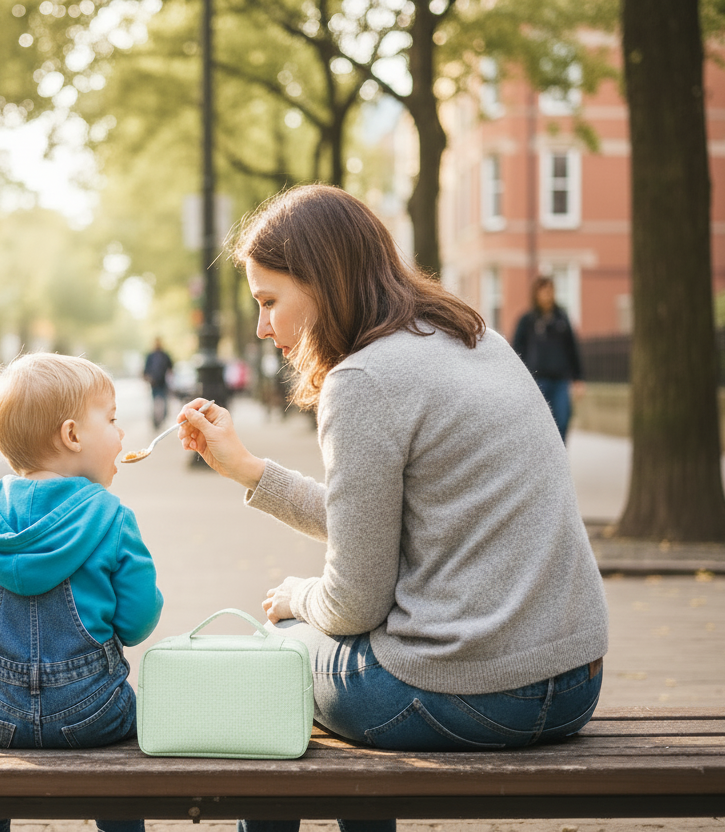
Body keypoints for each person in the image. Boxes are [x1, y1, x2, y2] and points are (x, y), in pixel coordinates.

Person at [175, 185, 608, 832]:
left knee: (274, 657)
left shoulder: (363, 382)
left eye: (270, 302)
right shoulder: (472, 337)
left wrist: (296, 598)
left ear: (322, 282)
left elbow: (355, 605)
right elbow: (385, 521)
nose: (263, 328)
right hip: (574, 679)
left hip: (477, 694)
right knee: (323, 659)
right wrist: (247, 470)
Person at [0, 352, 162, 832]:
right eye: (113, 420)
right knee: (133, 728)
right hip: (93, 711)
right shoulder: (113, 517)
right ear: (73, 435)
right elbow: (138, 622)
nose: (121, 435)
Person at [512, 277, 585, 441]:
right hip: (537, 381)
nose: (546, 295)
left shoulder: (562, 319)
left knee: (563, 420)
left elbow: (572, 349)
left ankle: (559, 461)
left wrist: (578, 378)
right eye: (543, 291)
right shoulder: (527, 321)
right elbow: (517, 350)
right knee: (539, 425)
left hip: (560, 381)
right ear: (536, 294)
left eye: (549, 290)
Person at [142, 338, 174, 429]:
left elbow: (170, 368)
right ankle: (155, 420)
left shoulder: (164, 355)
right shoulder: (150, 356)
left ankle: (162, 418)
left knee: (163, 402)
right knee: (155, 402)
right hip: (154, 383)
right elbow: (146, 370)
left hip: (163, 382)